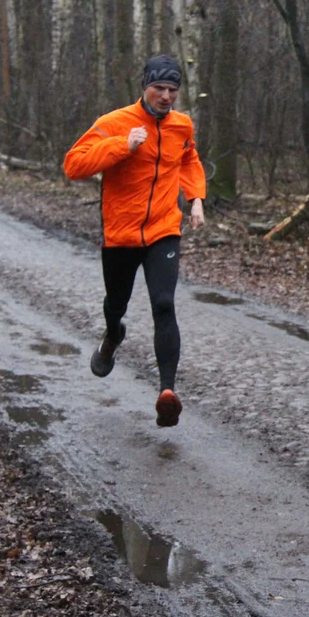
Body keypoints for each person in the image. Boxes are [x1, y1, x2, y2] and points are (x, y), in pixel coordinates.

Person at [63, 55, 205, 427]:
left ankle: (167, 393)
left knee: (163, 304)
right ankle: (113, 335)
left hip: (163, 229)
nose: (166, 96)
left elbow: (188, 160)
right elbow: (73, 165)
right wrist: (121, 147)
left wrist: (196, 199)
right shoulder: (114, 123)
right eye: (159, 88)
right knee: (117, 304)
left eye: (173, 90)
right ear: (145, 86)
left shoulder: (181, 126)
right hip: (121, 234)